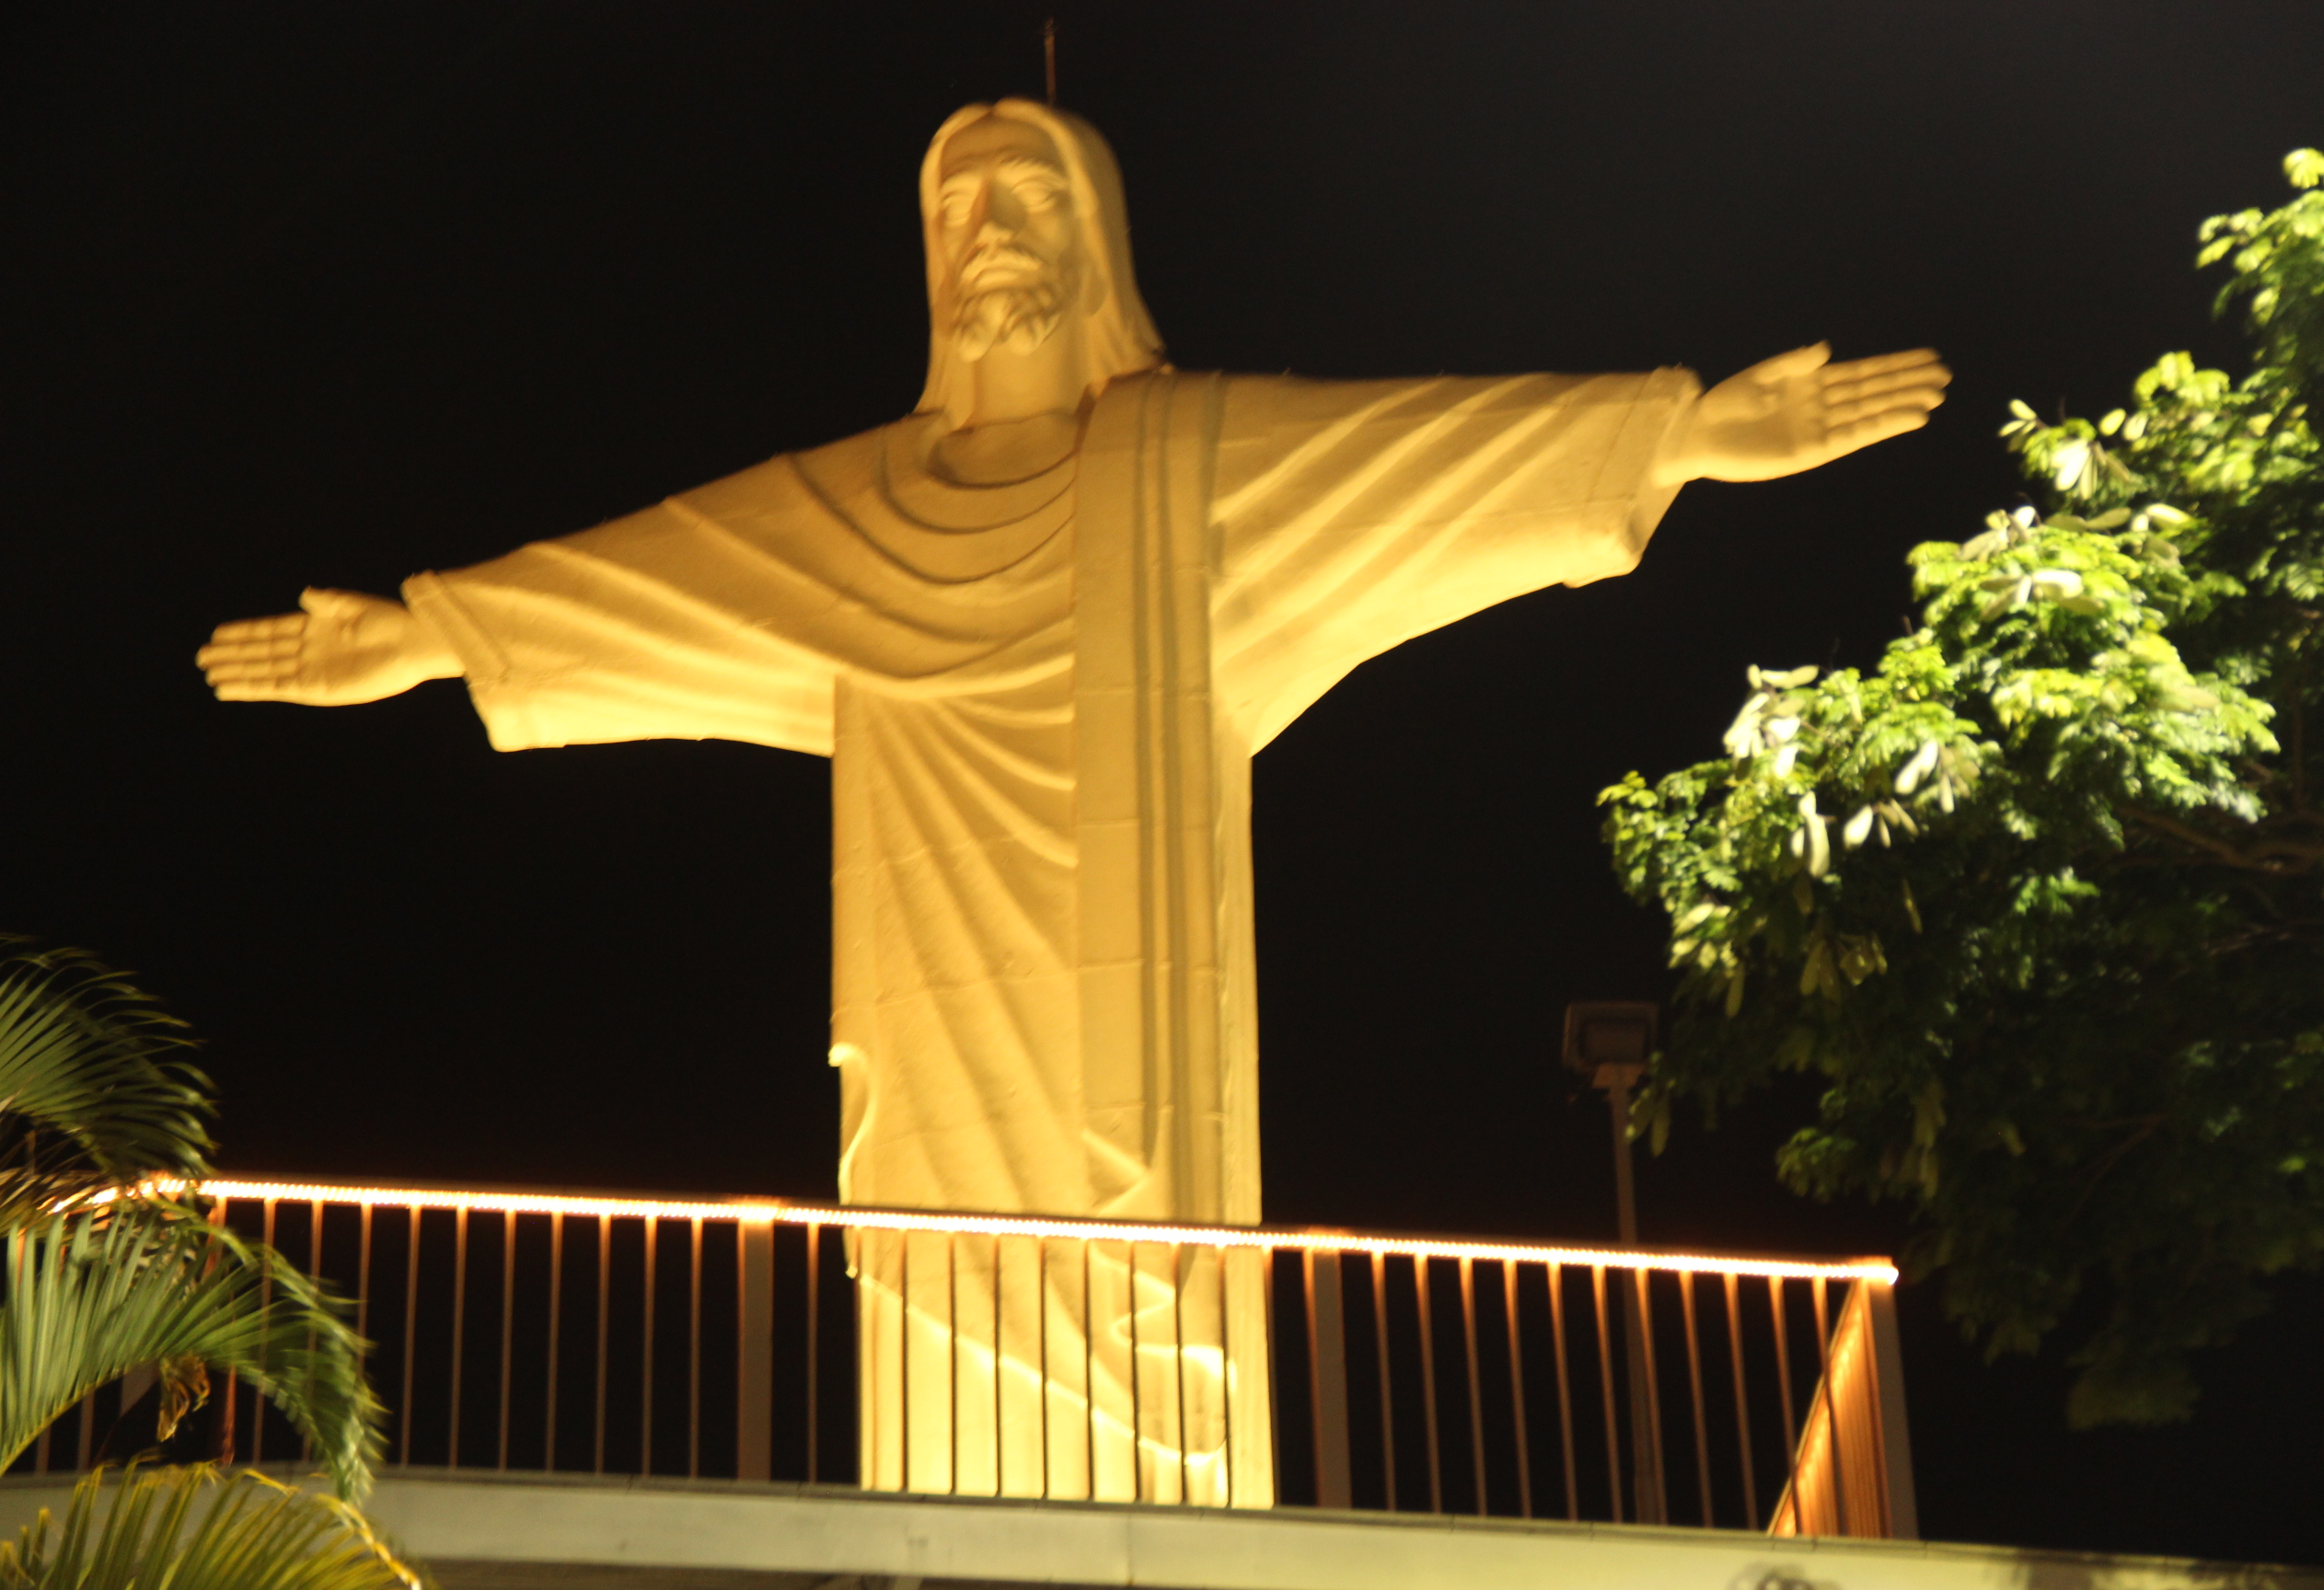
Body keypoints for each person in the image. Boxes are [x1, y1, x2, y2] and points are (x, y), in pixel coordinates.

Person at [199, 100, 1947, 1504]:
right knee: (945, 1423)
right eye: (955, 206)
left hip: (1147, 1114)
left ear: (1096, 241)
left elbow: (1432, 452)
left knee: (1156, 1451)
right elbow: (652, 583)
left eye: (1026, 193)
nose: (987, 233)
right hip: (932, 1086)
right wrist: (434, 635)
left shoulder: (1192, 466)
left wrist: (1678, 433)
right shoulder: (846, 512)